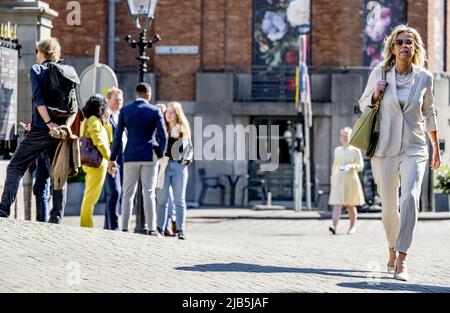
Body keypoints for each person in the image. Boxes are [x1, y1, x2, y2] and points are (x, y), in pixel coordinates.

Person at [359, 24, 441, 281]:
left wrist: (436, 147)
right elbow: (363, 105)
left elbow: (429, 112)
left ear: (414, 48)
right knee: (388, 208)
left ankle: (402, 258)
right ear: (392, 49)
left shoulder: (425, 77)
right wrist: (375, 93)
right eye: (401, 42)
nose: (406, 46)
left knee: (410, 199)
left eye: (410, 42)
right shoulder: (379, 72)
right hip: (384, 148)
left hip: (415, 147)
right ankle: (391, 247)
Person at [0, 37, 75, 223]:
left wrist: (49, 124)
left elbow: (38, 99)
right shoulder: (68, 71)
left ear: (42, 52)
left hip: (42, 130)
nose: (36, 56)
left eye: (36, 52)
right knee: (59, 172)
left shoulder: (37, 70)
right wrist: (64, 127)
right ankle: (56, 217)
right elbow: (74, 108)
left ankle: (3, 210)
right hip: (60, 132)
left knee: (15, 166)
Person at [109, 83, 168, 236]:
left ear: (136, 94)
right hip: (149, 155)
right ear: (149, 95)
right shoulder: (155, 111)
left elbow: (117, 138)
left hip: (130, 155)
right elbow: (164, 136)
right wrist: (160, 154)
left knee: (128, 193)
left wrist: (112, 158)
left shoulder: (125, 110)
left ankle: (124, 228)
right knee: (149, 192)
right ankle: (152, 228)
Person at [156, 102, 194, 240]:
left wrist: (184, 162)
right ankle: (160, 228)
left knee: (179, 200)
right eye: (167, 112)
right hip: (164, 165)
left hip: (179, 167)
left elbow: (189, 149)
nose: (168, 115)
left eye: (172, 112)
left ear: (177, 114)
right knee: (162, 199)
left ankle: (180, 230)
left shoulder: (183, 129)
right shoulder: (162, 128)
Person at [80, 95, 112, 228]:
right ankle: (86, 226)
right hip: (96, 164)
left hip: (94, 163)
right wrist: (110, 157)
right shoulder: (93, 120)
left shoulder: (91, 120)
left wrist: (107, 122)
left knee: (90, 196)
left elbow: (108, 137)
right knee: (90, 198)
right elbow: (99, 141)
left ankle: (87, 225)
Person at [328, 127, 365, 235]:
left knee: (350, 204)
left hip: (351, 179)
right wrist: (332, 179)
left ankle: (352, 227)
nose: (344, 138)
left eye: (346, 136)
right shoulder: (337, 150)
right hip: (339, 179)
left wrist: (351, 166)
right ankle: (333, 226)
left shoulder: (355, 150)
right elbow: (335, 166)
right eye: (342, 136)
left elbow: (361, 166)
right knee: (337, 203)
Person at [104, 87, 125, 230]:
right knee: (115, 191)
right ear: (108, 100)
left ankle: (108, 226)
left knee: (116, 193)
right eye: (117, 99)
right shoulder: (106, 117)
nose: (120, 102)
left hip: (124, 159)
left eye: (121, 99)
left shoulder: (121, 115)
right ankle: (114, 228)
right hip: (111, 160)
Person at [155, 103, 177, 236]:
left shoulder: (168, 128)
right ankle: (163, 224)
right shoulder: (155, 127)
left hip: (164, 163)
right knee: (161, 197)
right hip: (156, 163)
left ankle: (169, 222)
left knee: (167, 195)